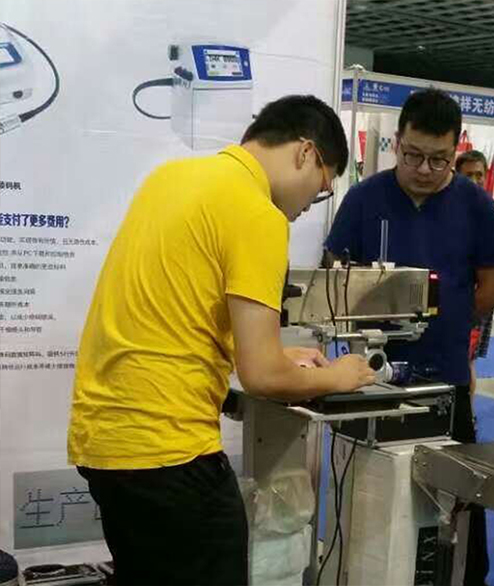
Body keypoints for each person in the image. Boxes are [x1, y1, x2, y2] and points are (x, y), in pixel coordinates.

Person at [68, 95, 376, 586]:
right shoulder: (258, 214)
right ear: (306, 152)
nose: (305, 208)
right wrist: (338, 376)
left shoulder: (170, 178)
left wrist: (277, 353)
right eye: (320, 189)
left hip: (104, 445)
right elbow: (262, 376)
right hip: (169, 453)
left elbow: (175, 309)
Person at [326, 89, 494, 586]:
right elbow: (334, 276)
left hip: (445, 380)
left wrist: (451, 320)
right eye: (413, 155)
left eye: (439, 159)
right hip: (370, 379)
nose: (425, 169)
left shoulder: (475, 205)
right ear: (397, 142)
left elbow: (493, 288)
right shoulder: (365, 199)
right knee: (367, 491)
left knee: (461, 499)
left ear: (455, 149)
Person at [455, 150, 494, 396]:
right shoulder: (447, 208)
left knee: (468, 359)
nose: (475, 180)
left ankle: (468, 411)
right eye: (469, 175)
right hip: (451, 292)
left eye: (479, 175)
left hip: (480, 297)